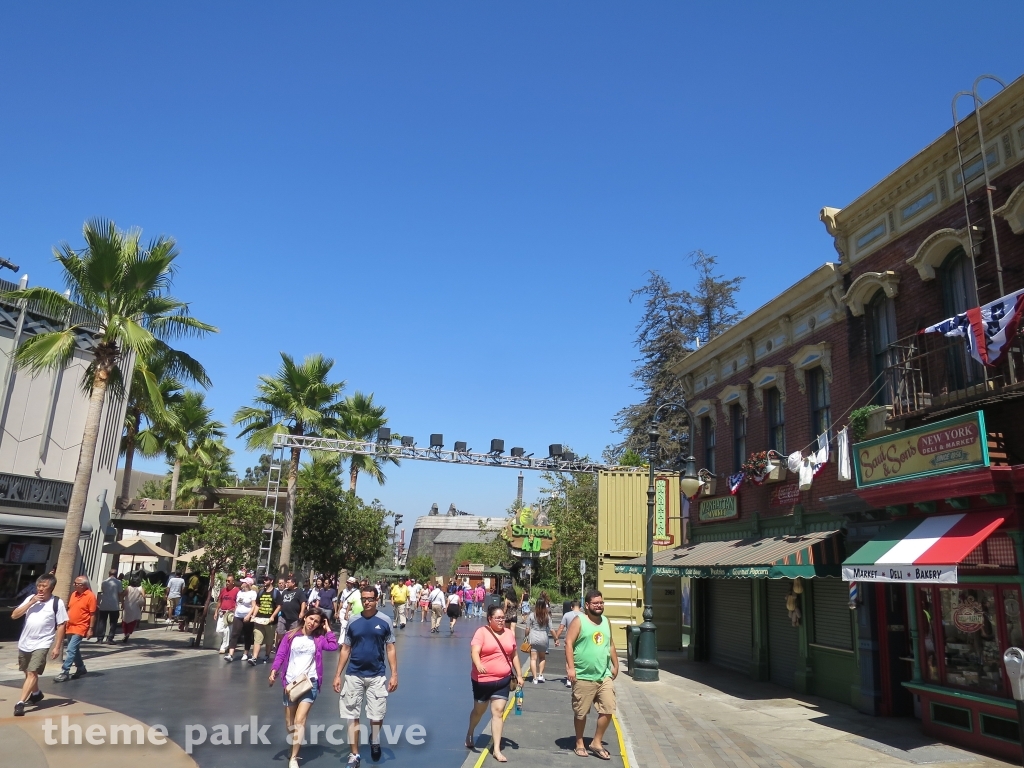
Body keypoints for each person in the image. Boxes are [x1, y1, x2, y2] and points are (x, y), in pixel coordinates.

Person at [333, 584, 399, 766]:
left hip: (377, 675)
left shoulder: (385, 621)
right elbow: (346, 648)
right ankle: (355, 754)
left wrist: (394, 674)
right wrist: (338, 674)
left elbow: (391, 648)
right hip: (354, 674)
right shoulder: (353, 621)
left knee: (376, 715)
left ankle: (375, 739)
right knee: (352, 715)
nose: (367, 602)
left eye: (370, 599)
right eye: (364, 599)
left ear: (376, 600)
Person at [270, 607, 338, 768]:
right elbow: (280, 654)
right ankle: (293, 744)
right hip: (290, 684)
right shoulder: (291, 635)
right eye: (311, 619)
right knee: (290, 723)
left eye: (316, 621)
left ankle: (294, 757)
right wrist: (274, 670)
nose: (312, 623)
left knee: (300, 721)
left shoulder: (319, 639)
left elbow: (333, 646)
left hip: (310, 683)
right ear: (305, 617)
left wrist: (328, 629)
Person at [564, 590, 619, 760]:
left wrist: (615, 665)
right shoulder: (579, 620)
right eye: (595, 603)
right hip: (582, 675)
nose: (599, 606)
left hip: (603, 675)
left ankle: (596, 742)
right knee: (581, 712)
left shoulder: (606, 621)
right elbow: (568, 643)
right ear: (587, 605)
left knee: (608, 708)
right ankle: (579, 742)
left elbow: (610, 644)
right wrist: (571, 668)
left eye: (601, 603)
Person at [466, 604, 523, 762]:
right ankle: (470, 732)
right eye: (497, 618)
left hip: (503, 680)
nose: (501, 620)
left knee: (498, 713)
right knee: (479, 711)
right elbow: (475, 651)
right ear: (489, 619)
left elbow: (514, 655)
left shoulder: (509, 634)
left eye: (503, 618)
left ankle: (496, 749)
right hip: (482, 681)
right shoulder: (482, 632)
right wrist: (478, 664)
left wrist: (519, 674)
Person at [12, 574, 67, 716]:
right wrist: (31, 602)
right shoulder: (30, 599)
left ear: (52, 588)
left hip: (42, 642)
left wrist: (57, 646)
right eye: (39, 586)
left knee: (32, 672)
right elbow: (14, 615)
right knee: (26, 671)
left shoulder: (57, 603)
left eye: (44, 586)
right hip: (25, 642)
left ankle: (20, 703)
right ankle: (36, 693)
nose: (41, 589)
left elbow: (61, 625)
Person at [55, 575, 97, 682]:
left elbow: (92, 614)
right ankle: (81, 668)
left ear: (83, 586)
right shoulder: (74, 594)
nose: (74, 585)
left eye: (77, 584)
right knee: (74, 650)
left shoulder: (90, 596)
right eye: (75, 583)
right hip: (70, 626)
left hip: (81, 627)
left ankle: (65, 671)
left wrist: (90, 629)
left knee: (70, 649)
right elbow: (70, 609)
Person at [251, 575, 282, 664]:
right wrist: (254, 615)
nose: (264, 581)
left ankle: (267, 655)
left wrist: (273, 616)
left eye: (266, 579)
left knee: (269, 640)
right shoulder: (260, 592)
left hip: (270, 621)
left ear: (271, 581)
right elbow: (257, 605)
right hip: (259, 619)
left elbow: (279, 606)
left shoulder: (276, 593)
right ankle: (254, 658)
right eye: (264, 579)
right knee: (257, 638)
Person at [553, 599, 583, 687]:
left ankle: (569, 679)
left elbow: (561, 628)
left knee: (568, 660)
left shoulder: (567, 615)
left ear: (571, 607)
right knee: (578, 659)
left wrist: (556, 638)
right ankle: (578, 677)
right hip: (580, 640)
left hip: (569, 640)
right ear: (580, 607)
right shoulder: (584, 616)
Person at [226, 578, 257, 661]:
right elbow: (237, 603)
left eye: (243, 582)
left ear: (247, 584)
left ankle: (246, 653)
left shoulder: (252, 593)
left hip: (247, 616)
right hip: (238, 615)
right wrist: (235, 612)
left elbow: (254, 606)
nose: (241, 583)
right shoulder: (239, 592)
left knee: (247, 634)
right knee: (235, 634)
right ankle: (230, 654)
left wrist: (249, 615)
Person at [524, 598, 551, 684]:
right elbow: (551, 629)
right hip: (543, 637)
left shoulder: (532, 615)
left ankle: (534, 678)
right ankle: (540, 675)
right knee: (542, 657)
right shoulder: (547, 616)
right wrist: (556, 638)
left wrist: (526, 636)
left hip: (534, 637)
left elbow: (527, 629)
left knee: (533, 658)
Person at [96, 569, 123, 643]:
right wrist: (122, 603)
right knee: (113, 622)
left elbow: (101, 592)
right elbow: (120, 593)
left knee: (102, 621)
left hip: (104, 604)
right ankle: (110, 638)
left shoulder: (104, 582)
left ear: (109, 574)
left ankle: (100, 638)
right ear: (116, 574)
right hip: (114, 605)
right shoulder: (119, 582)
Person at [217, 574, 240, 653]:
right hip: (222, 612)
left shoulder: (237, 590)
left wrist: (234, 610)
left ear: (233, 582)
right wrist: (216, 611)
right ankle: (226, 642)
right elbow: (220, 601)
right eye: (226, 581)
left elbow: (238, 602)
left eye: (228, 581)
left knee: (227, 630)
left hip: (230, 614)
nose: (227, 582)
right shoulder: (223, 590)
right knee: (219, 630)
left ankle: (224, 646)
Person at [121, 575, 146, 643]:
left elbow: (123, 595)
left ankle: (125, 633)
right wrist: (144, 606)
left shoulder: (128, 588)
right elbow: (144, 597)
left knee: (125, 621)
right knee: (132, 621)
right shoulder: (141, 588)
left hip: (127, 605)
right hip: (135, 606)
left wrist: (122, 603)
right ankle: (128, 633)